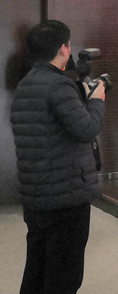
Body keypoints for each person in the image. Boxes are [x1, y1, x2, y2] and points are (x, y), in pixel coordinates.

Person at [11, 20, 106, 294]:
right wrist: (96, 100)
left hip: (36, 194)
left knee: (37, 269)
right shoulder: (58, 85)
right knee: (64, 276)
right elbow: (87, 128)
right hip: (66, 196)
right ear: (64, 48)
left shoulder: (26, 84)